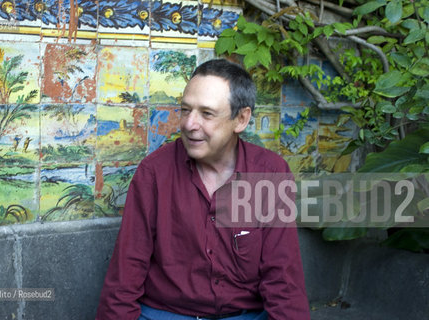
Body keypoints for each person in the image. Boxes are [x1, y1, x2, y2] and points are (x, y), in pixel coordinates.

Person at [96, 59, 310, 320]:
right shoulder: (155, 172)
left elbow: (283, 279)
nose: (189, 124)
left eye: (207, 114)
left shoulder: (270, 173)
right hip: (166, 314)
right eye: (186, 110)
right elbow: (126, 272)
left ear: (241, 119)